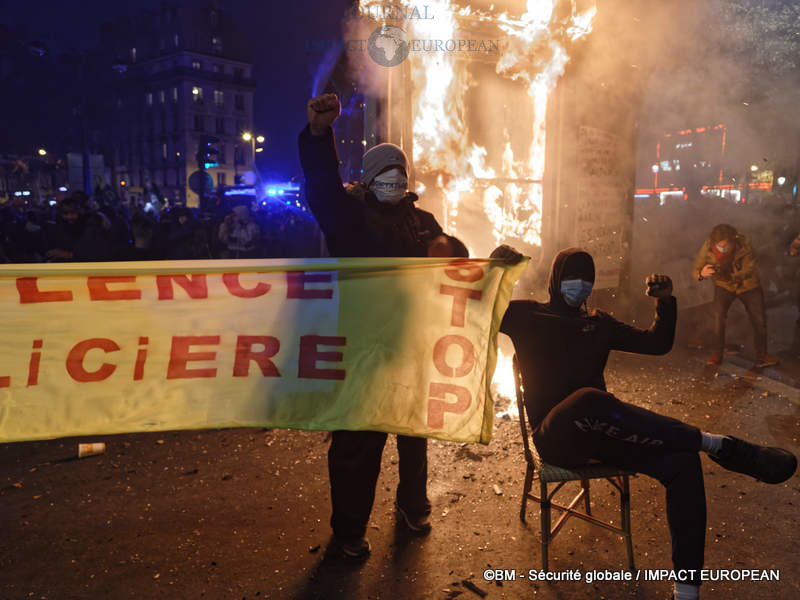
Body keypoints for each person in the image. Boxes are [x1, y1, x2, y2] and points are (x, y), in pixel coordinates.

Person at [491, 244, 796, 600]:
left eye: (587, 279)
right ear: (556, 279)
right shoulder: (527, 316)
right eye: (573, 277)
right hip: (556, 437)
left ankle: (686, 593)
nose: (581, 286)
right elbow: (476, 311)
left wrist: (665, 301)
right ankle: (717, 444)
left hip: (604, 433)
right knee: (589, 399)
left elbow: (657, 343)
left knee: (683, 464)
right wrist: (496, 268)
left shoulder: (598, 323)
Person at [299, 92, 455, 559]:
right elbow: (323, 185)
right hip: (363, 351)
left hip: (411, 345)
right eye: (385, 174)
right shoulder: (348, 217)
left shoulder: (422, 221)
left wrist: (471, 258)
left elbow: (453, 255)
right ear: (368, 180)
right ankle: (349, 533)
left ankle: (413, 506)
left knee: (413, 433)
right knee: (356, 447)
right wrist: (318, 135)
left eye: (400, 173)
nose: (394, 180)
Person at [692, 223, 778, 368]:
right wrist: (701, 274)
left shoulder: (744, 244)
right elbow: (696, 270)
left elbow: (749, 268)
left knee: (759, 320)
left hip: (748, 285)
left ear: (733, 240)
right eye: (719, 246)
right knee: (718, 318)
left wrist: (730, 277)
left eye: (726, 246)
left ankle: (762, 355)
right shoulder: (708, 246)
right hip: (723, 286)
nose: (722, 249)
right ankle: (717, 354)